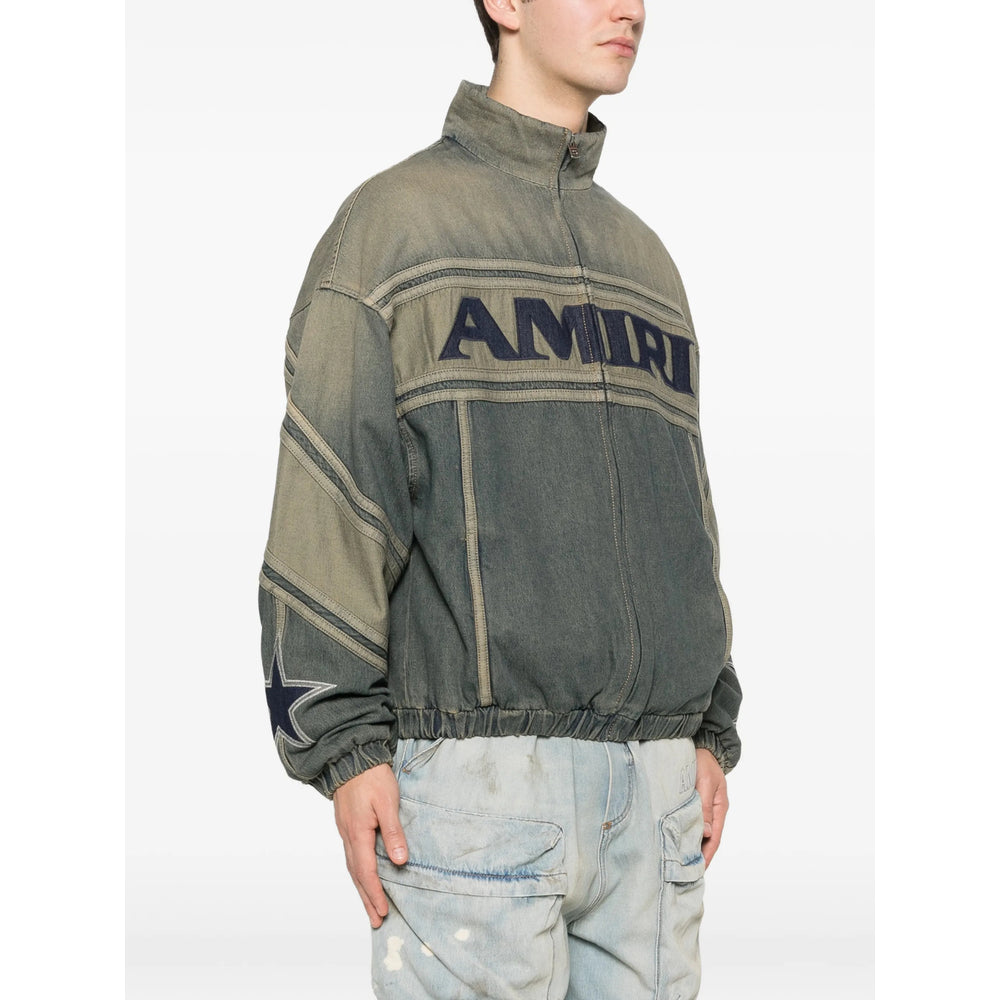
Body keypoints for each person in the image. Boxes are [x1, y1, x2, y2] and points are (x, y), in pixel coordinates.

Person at [258, 1, 742, 997]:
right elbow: (331, 490)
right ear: (504, 3)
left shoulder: (644, 261)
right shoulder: (395, 229)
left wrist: (704, 726)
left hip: (656, 797)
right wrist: (342, 747)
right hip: (474, 792)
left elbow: (683, 521)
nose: (631, 7)